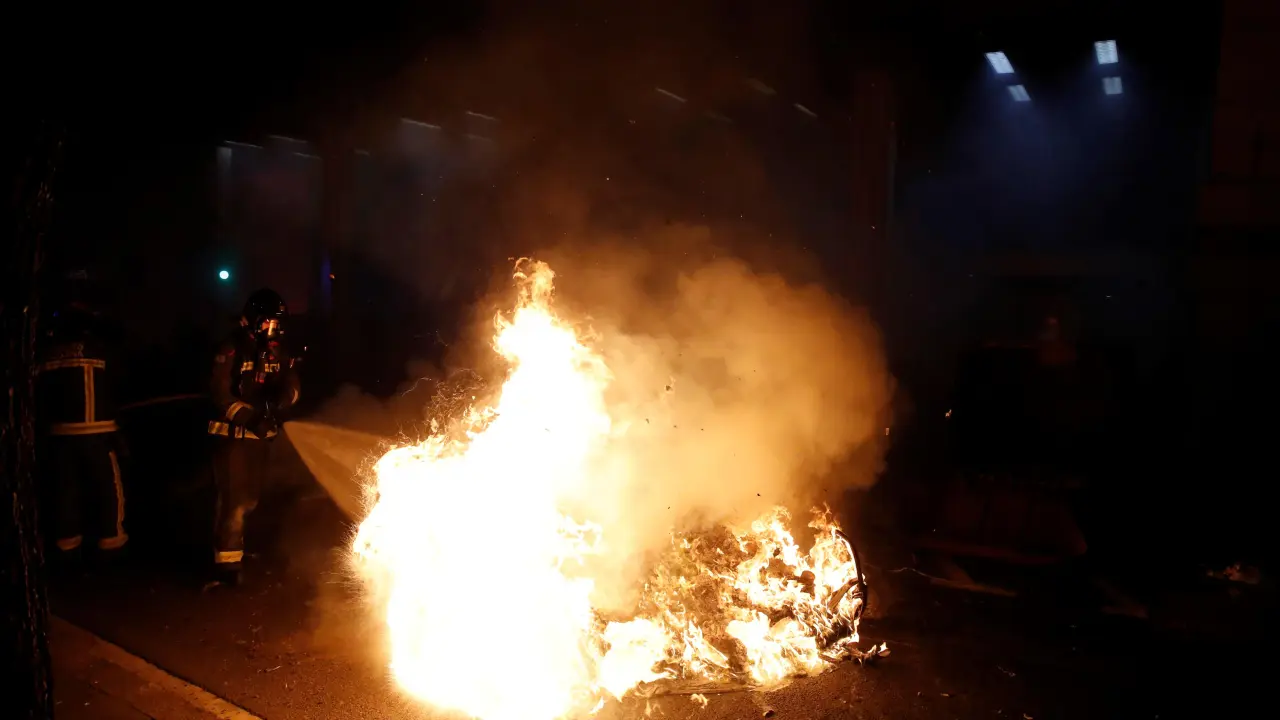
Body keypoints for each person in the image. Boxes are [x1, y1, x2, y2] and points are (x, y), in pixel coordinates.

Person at [208, 288, 300, 585]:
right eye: (267, 322)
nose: (272, 329)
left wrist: (283, 398)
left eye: (276, 324)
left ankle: (235, 550)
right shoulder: (231, 348)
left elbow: (292, 384)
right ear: (251, 320)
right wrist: (251, 418)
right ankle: (227, 568)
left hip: (258, 439)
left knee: (250, 500)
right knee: (233, 502)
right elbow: (220, 394)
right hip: (232, 437)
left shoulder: (278, 351)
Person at [36, 272, 128, 567]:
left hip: (60, 434)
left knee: (65, 493)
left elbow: (41, 393)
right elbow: (119, 382)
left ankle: (67, 552)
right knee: (107, 491)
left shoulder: (47, 352)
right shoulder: (99, 346)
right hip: (98, 432)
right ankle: (111, 547)